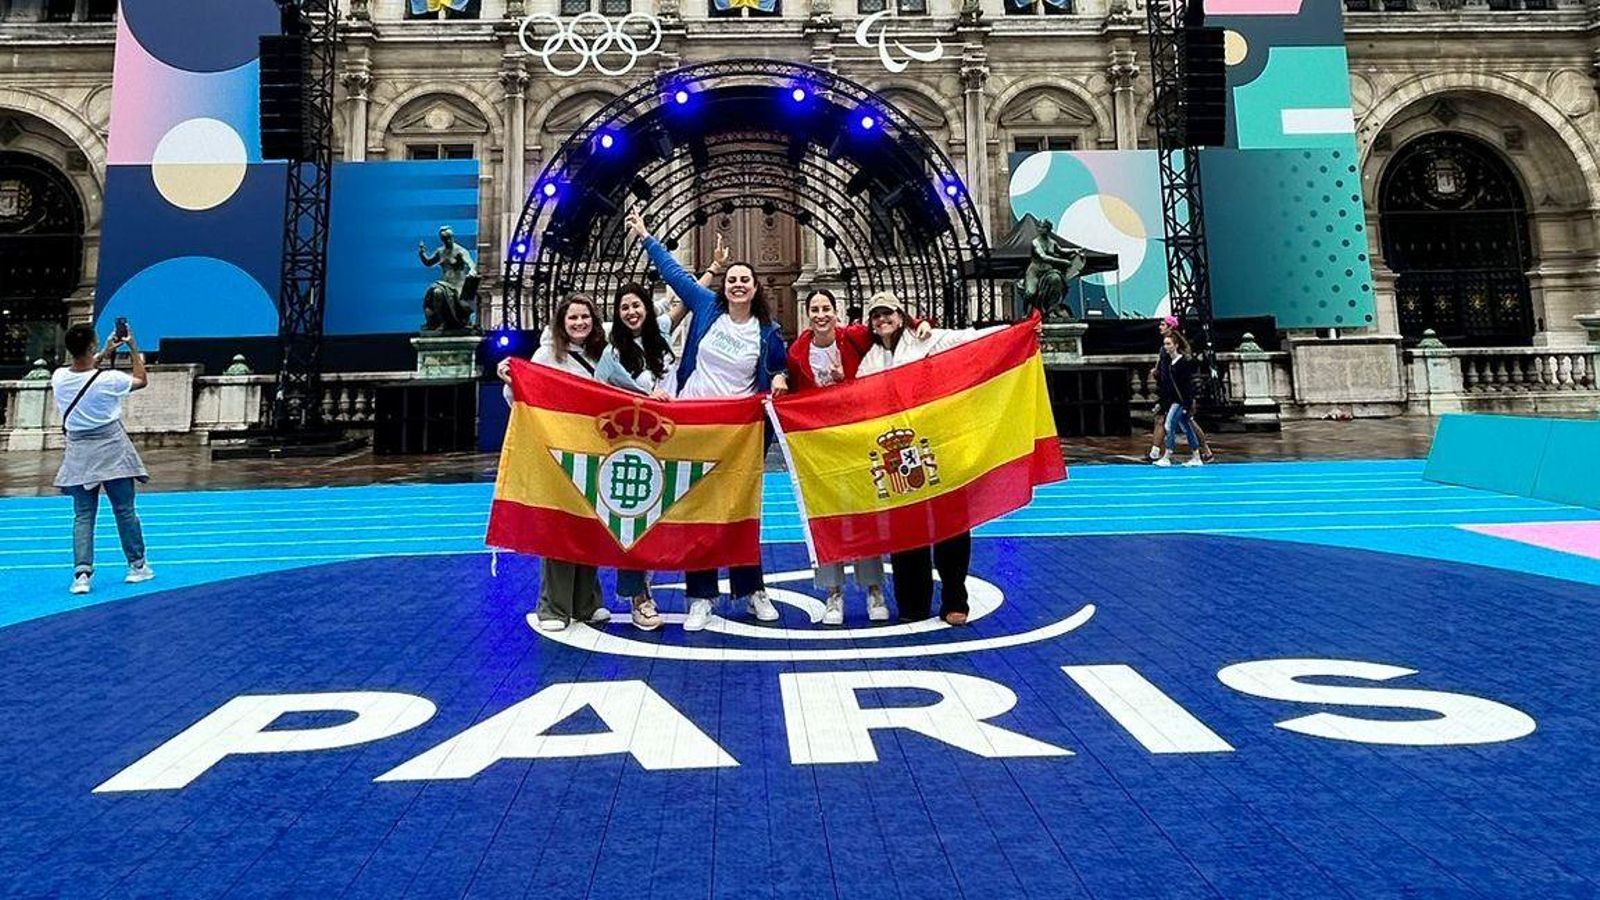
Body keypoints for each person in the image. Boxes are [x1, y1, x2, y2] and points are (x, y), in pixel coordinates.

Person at [626, 205, 790, 632]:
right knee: (698, 510)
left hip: (739, 431)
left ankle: (752, 590)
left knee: (741, 511)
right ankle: (700, 596)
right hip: (696, 424)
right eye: (732, 279)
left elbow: (781, 369)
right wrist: (646, 236)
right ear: (725, 286)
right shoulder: (706, 307)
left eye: (744, 280)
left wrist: (781, 381)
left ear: (755, 289)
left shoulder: (767, 332)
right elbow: (676, 275)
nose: (737, 285)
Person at [855, 291, 1013, 626]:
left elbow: (971, 340)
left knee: (950, 525)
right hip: (897, 454)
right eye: (876, 316)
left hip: (939, 446)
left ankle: (956, 598)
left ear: (901, 315)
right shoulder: (869, 360)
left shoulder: (928, 341)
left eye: (888, 314)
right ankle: (913, 602)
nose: (882, 321)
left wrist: (1014, 331)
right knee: (906, 528)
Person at [788, 288, 932, 625]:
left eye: (826, 308)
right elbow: (791, 388)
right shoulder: (796, 352)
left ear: (836, 313)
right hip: (820, 446)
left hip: (858, 440)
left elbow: (889, 325)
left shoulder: (853, 338)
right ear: (807, 315)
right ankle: (833, 593)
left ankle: (873, 589)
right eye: (815, 309)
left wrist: (920, 321)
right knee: (825, 517)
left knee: (865, 515)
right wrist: (779, 379)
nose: (820, 314)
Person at [496, 293, 614, 632]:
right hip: (559, 453)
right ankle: (553, 607)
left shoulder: (604, 353)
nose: (579, 323)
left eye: (585, 317)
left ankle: (588, 602)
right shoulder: (546, 355)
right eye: (572, 318)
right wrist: (511, 379)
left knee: (591, 526)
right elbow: (526, 396)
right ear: (561, 322)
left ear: (594, 319)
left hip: (595, 452)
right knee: (561, 526)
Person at [51, 322, 154, 595]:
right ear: (92, 346)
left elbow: (85, 371)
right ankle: (137, 565)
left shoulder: (59, 376)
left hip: (79, 450)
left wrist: (105, 350)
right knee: (124, 510)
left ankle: (82, 574)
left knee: (83, 515)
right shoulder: (111, 380)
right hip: (112, 447)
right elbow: (141, 380)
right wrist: (133, 348)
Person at [602, 281, 680, 631]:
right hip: (632, 443)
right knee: (632, 515)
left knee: (660, 518)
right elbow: (597, 393)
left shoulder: (660, 334)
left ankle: (645, 582)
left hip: (670, 436)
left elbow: (688, 303)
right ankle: (638, 596)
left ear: (648, 307)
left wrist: (712, 270)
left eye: (637, 305)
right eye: (624, 307)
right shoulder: (611, 352)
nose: (631, 312)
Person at [1155, 330, 1205, 468]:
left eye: (1168, 344)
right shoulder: (1169, 362)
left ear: (1176, 345)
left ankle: (1167, 455)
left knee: (1169, 425)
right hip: (1174, 400)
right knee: (1186, 427)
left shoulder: (1182, 362)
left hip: (1181, 401)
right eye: (1165, 344)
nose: (1166, 347)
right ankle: (1196, 456)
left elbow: (1186, 385)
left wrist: (1188, 403)